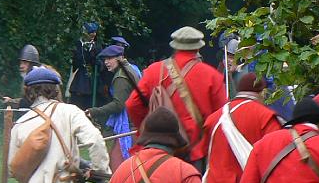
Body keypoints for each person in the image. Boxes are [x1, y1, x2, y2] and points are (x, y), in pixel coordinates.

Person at [125, 26, 226, 169]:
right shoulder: (212, 76)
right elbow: (221, 118)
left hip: (157, 150)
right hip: (195, 151)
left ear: (175, 46)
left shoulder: (154, 70)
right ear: (198, 48)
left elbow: (132, 104)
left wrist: (148, 126)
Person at [86, 44, 141, 171]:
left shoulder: (121, 76)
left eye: (110, 58)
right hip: (136, 122)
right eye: (105, 59)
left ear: (120, 58)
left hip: (129, 126)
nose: (106, 62)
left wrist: (94, 112)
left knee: (117, 166)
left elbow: (118, 105)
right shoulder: (130, 69)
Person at [69, 22, 103, 110]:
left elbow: (100, 63)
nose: (93, 34)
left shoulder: (97, 46)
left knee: (91, 102)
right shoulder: (78, 44)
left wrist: (96, 60)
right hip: (80, 77)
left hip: (93, 79)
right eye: (91, 32)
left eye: (95, 32)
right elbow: (75, 62)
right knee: (77, 101)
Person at [3, 44, 41, 109]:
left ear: (32, 64)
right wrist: (11, 101)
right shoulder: (29, 78)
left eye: (25, 63)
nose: (21, 66)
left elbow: (30, 102)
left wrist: (11, 101)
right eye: (21, 63)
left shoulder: (38, 79)